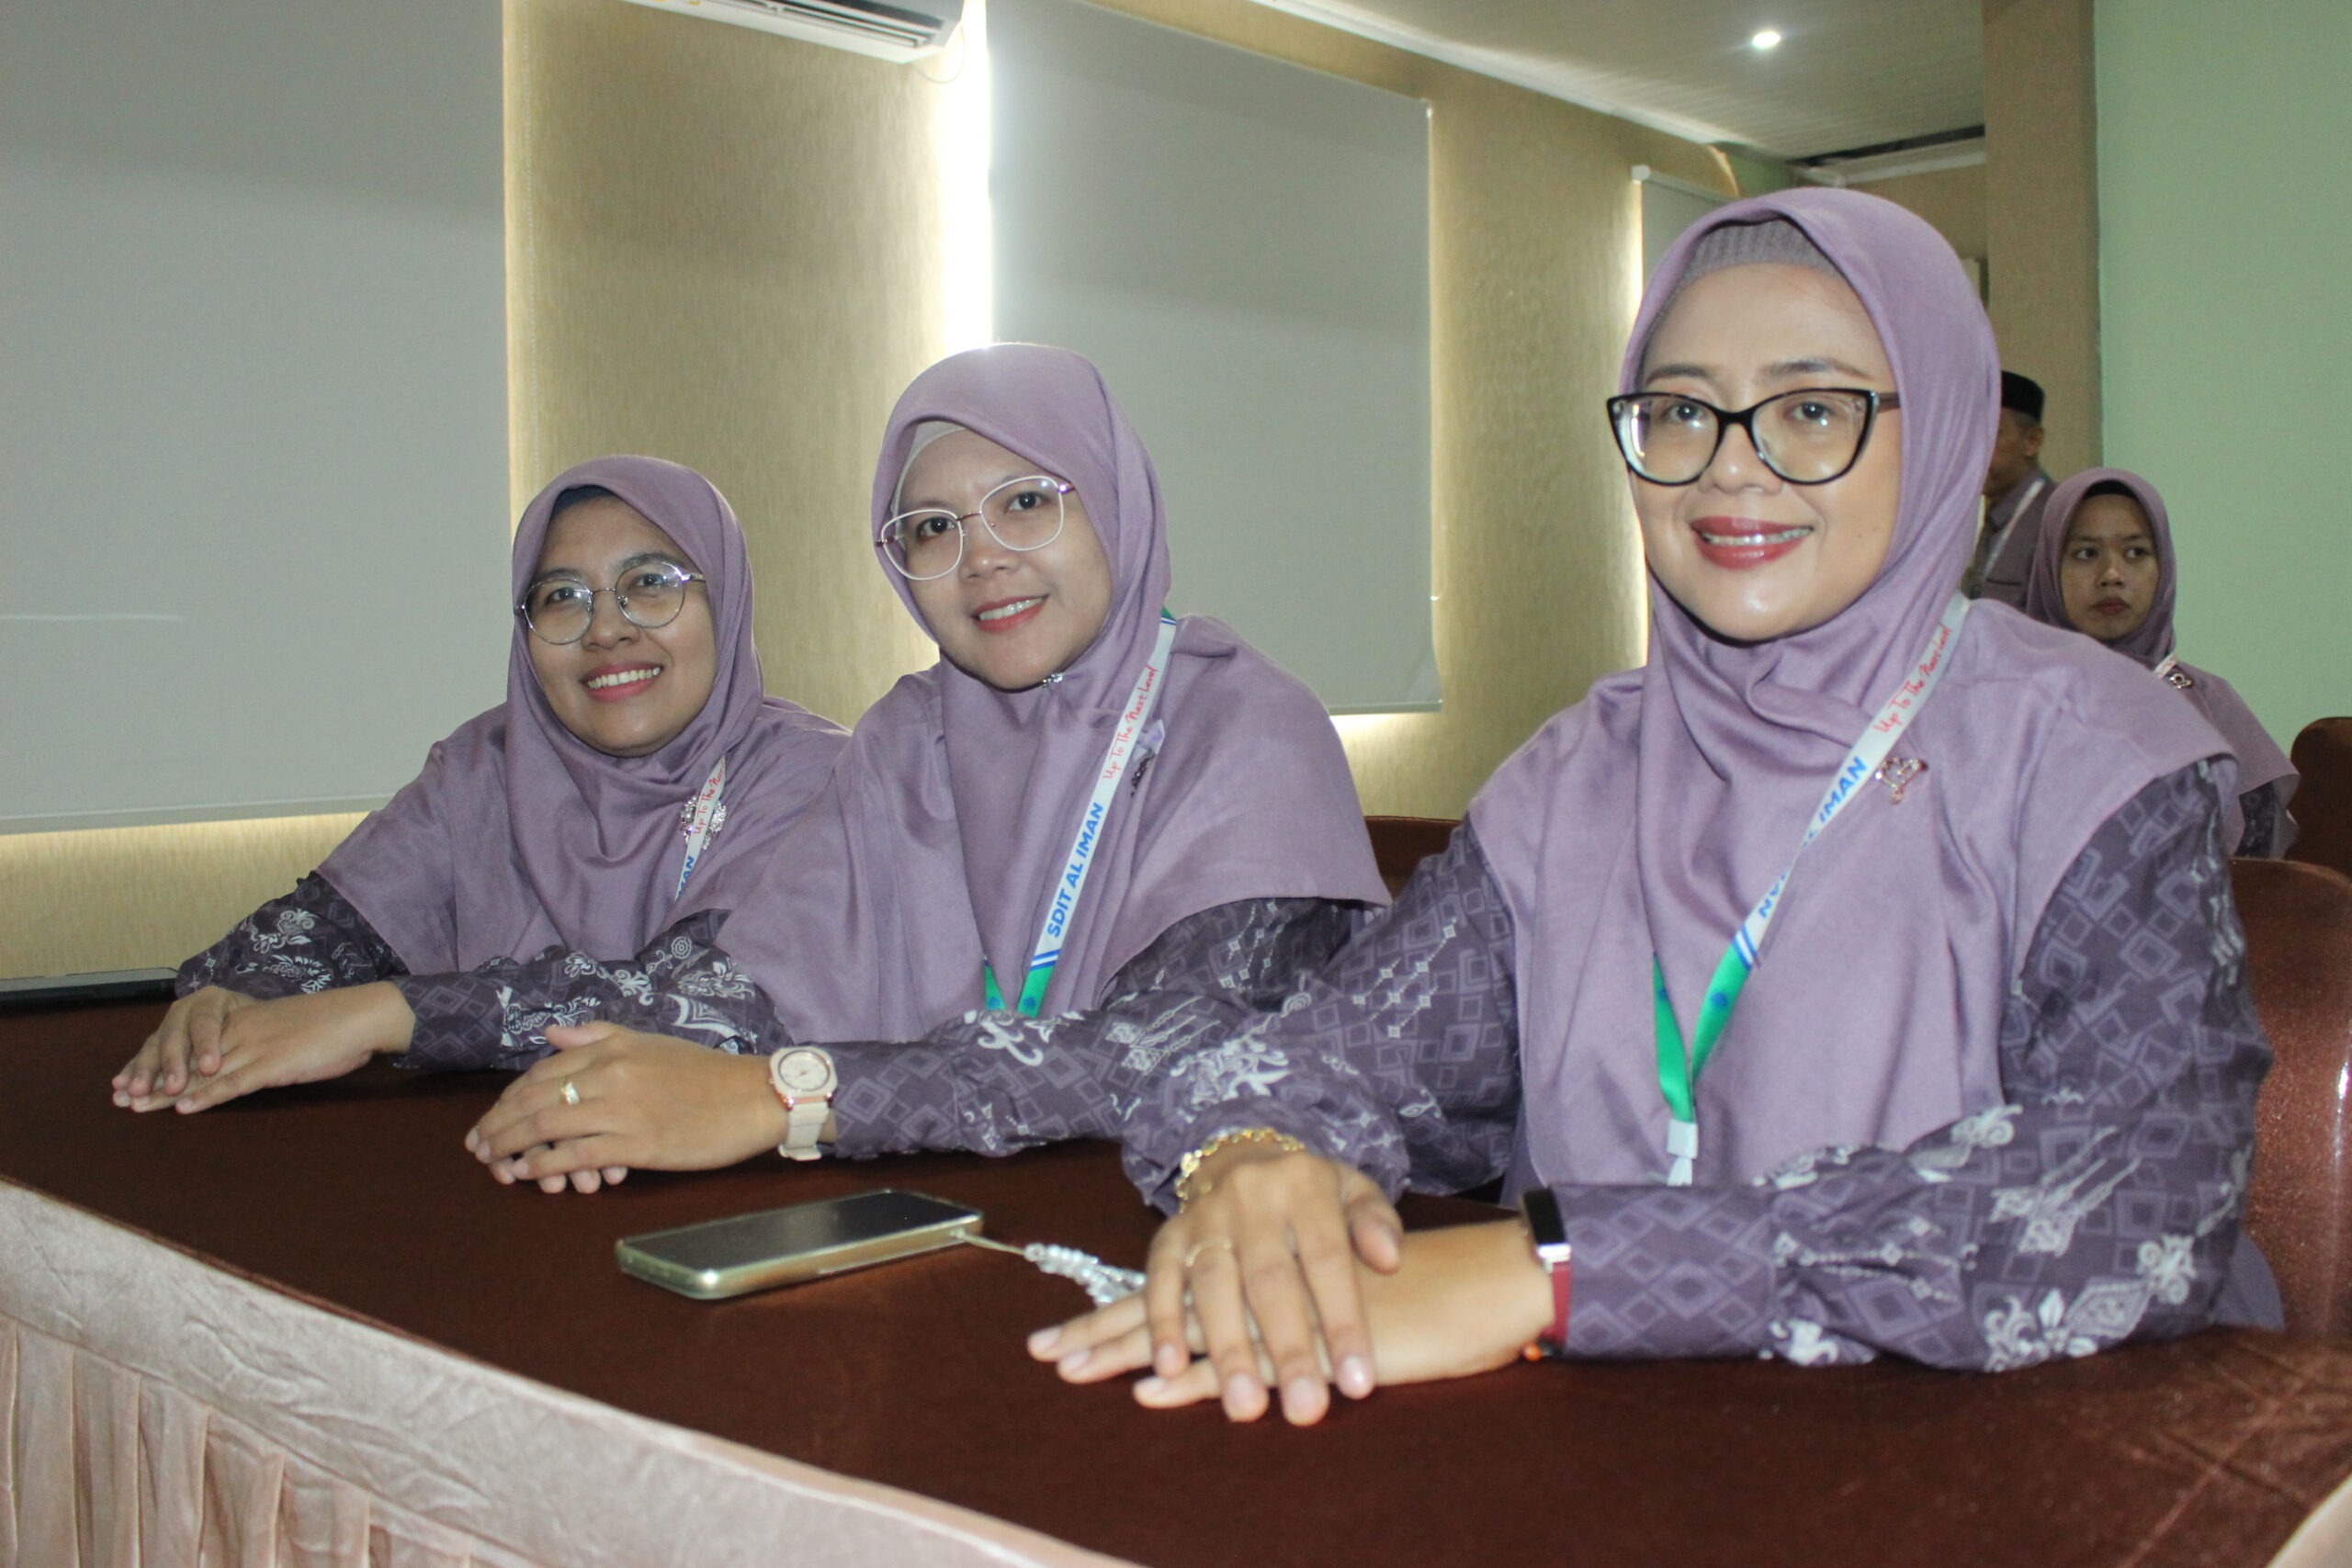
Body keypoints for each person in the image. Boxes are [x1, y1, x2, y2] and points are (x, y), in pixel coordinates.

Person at [1030, 189, 2274, 1426]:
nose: (1729, 466)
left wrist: (1566, 1270)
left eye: (1810, 409)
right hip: (1611, 1450)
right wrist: (1257, 1160)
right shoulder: (1575, 775)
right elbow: (1323, 1054)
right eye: (1679, 410)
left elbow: (2139, 1189)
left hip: (2018, 1450)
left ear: (1944, 427)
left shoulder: (2090, 754)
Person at [449, 344, 1390, 1188]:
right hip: (935, 1211)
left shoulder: (1249, 727)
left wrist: (787, 1097)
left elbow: (1169, 1050)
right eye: (934, 527)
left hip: (1193, 1236)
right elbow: (755, 988)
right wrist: (615, 1080)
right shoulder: (908, 738)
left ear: (1113, 501)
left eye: (1026, 502)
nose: (982, 560)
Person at [110, 457, 848, 1194]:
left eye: (651, 582)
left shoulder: (815, 778)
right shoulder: (488, 767)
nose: (606, 629)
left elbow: (702, 1003)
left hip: (738, 1204)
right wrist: (235, 999)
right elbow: (322, 931)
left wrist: (386, 1013)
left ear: (725, 598)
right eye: (561, 597)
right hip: (499, 1188)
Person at [2023, 468, 2298, 857]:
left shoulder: (2210, 705)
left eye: (2136, 553)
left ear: (2163, 566)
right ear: (2050, 568)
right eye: (2086, 554)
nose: (2112, 575)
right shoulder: (2012, 710)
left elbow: (2256, 872)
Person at [1965, 370, 2051, 606]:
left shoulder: (2057, 520)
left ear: (2032, 441)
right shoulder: (1987, 515)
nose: (1974, 451)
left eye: (1989, 435)